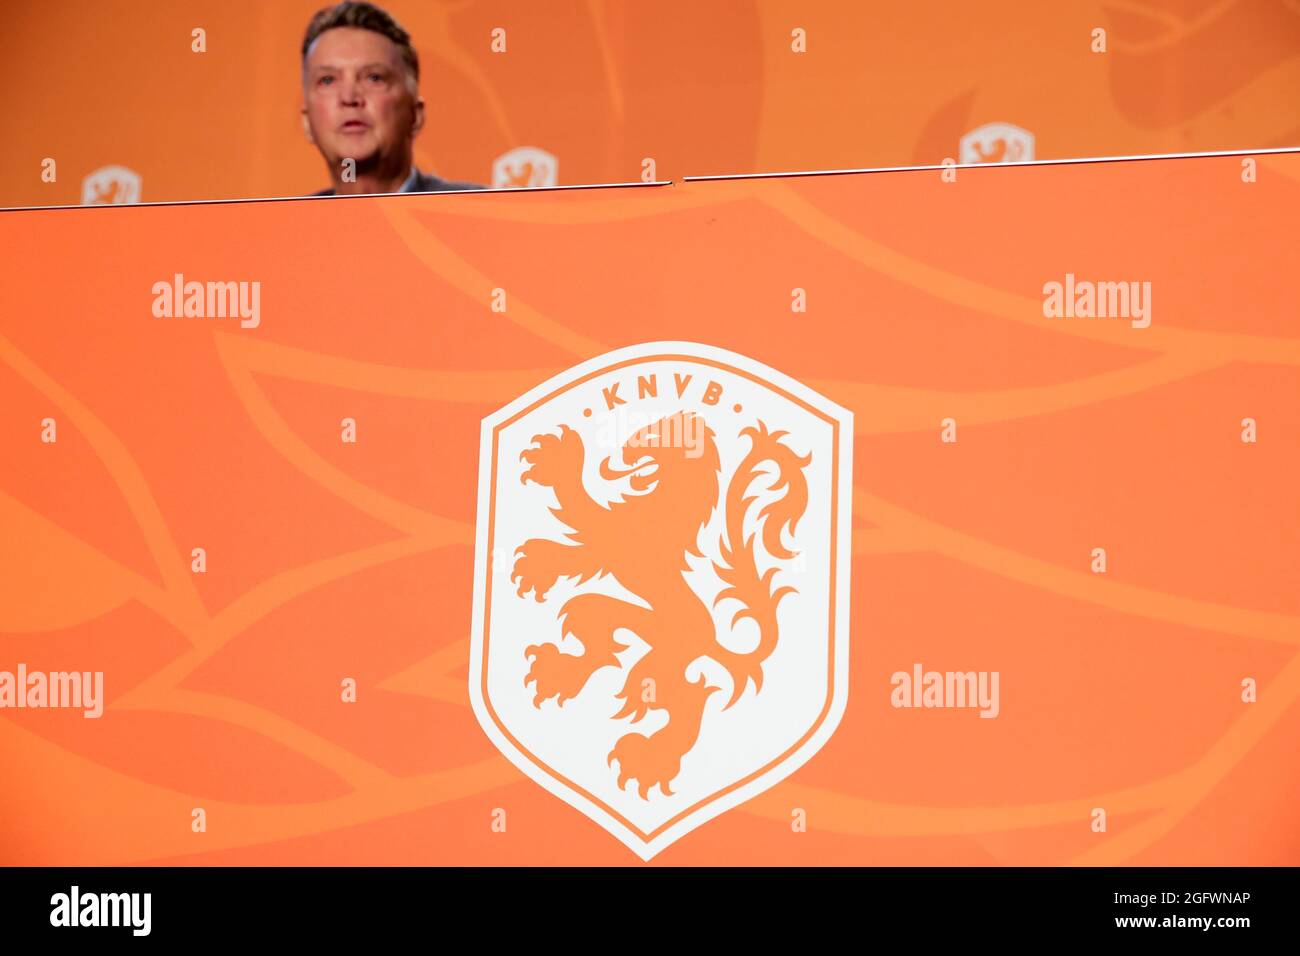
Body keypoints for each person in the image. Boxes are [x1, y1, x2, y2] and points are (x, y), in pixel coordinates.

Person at [300, 2, 485, 196]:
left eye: (374, 78)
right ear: (307, 122)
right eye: (327, 80)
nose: (349, 98)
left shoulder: (480, 214)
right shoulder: (287, 223)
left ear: (415, 114)